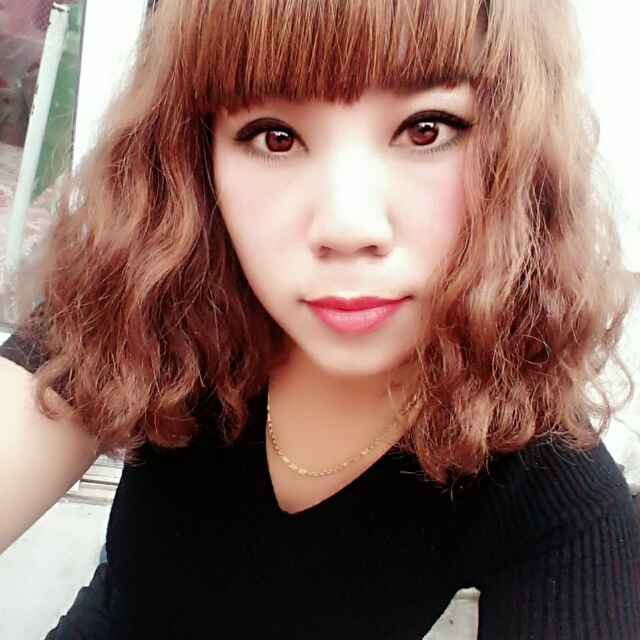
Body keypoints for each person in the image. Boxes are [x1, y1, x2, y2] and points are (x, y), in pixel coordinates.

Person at [1, 1, 639, 638]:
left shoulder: (553, 484)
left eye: (426, 130)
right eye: (274, 136)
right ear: (197, 159)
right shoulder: (148, 305)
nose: (348, 226)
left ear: (518, 156)